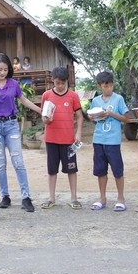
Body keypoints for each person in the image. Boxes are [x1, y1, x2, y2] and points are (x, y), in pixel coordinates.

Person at [0, 53, 42, 213]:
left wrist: (41, 110)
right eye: (0, 69)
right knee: (0, 163)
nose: (2, 72)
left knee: (18, 161)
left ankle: (26, 197)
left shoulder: (13, 84)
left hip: (11, 125)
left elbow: (24, 100)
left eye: (5, 70)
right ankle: (5, 196)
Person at [40, 66, 83, 209]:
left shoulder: (73, 96)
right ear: (53, 81)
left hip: (69, 141)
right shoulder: (46, 95)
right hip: (51, 139)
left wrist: (78, 133)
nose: (59, 86)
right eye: (57, 83)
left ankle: (74, 198)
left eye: (62, 83)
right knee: (52, 170)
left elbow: (79, 116)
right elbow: (43, 116)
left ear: (67, 82)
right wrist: (46, 120)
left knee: (72, 169)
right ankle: (51, 198)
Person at [88, 71, 130, 212]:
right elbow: (92, 118)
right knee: (100, 171)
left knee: (117, 170)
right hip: (99, 139)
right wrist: (93, 117)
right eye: (106, 86)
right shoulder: (96, 101)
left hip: (113, 141)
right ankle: (102, 198)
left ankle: (120, 199)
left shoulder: (118, 99)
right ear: (100, 86)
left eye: (111, 85)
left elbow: (126, 118)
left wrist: (111, 113)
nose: (109, 88)